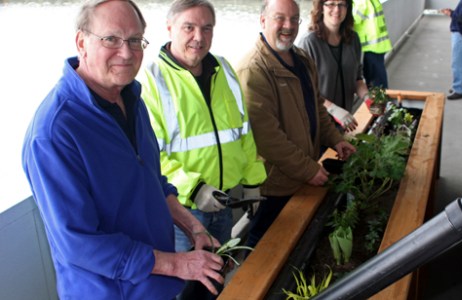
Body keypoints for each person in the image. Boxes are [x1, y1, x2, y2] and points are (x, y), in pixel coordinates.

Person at [21, 1, 224, 299]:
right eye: (111, 39)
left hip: (157, 286)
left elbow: (153, 182)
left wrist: (192, 226)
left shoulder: (131, 98)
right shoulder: (54, 132)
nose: (126, 53)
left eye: (134, 40)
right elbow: (79, 243)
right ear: (82, 42)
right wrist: (177, 264)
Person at [138, 0, 267, 297]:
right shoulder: (152, 81)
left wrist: (251, 181)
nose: (199, 36)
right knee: (185, 291)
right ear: (169, 28)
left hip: (223, 205)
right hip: (182, 212)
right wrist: (195, 188)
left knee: (214, 280)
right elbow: (151, 156)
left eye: (206, 28)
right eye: (189, 27)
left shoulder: (223, 68)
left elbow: (242, 130)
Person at [236, 0, 356, 249]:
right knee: (264, 244)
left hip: (301, 173)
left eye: (294, 19)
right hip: (275, 184)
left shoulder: (301, 58)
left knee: (295, 244)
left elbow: (317, 107)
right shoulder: (253, 70)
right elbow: (267, 138)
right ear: (263, 20)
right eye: (280, 18)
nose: (288, 26)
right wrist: (308, 169)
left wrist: (336, 139)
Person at [298, 0, 370, 132]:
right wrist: (333, 109)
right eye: (331, 3)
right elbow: (303, 90)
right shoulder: (308, 43)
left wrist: (367, 97)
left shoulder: (353, 39)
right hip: (317, 125)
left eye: (341, 4)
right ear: (321, 7)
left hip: (345, 122)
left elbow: (357, 78)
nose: (337, 10)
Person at [353, 0, 392, 89]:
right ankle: (381, 98)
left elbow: (353, 21)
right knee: (378, 77)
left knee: (375, 81)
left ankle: (380, 101)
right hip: (379, 45)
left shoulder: (361, 2)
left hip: (372, 47)